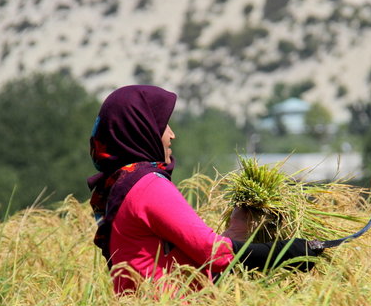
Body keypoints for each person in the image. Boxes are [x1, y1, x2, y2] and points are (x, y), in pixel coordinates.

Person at [87, 85, 323, 294]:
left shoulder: (121, 185)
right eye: (162, 125)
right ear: (141, 129)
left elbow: (189, 258)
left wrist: (237, 230)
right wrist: (290, 251)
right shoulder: (148, 185)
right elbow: (213, 253)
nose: (171, 134)